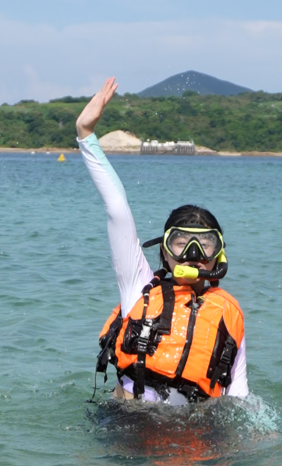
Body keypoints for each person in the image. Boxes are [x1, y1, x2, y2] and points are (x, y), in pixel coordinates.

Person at [77, 78, 249, 404]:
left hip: (194, 429)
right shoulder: (138, 286)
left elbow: (239, 397)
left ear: (219, 254)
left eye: (205, 244)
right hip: (128, 423)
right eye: (181, 243)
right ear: (164, 252)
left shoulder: (228, 313)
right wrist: (86, 135)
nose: (193, 254)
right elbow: (117, 209)